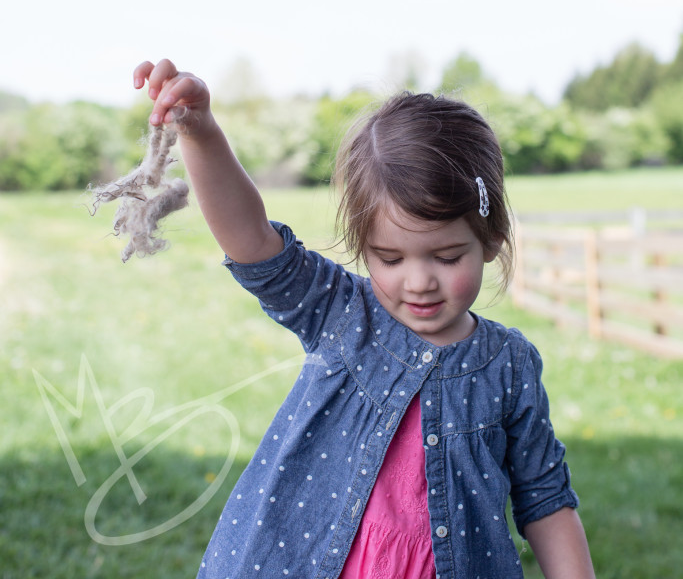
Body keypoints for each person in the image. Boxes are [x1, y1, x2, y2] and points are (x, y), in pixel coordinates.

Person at [134, 58, 595, 579]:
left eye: (446, 258)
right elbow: (252, 241)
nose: (418, 281)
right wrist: (201, 132)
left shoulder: (509, 366)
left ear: (490, 240)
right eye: (390, 258)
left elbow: (546, 500)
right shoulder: (342, 313)